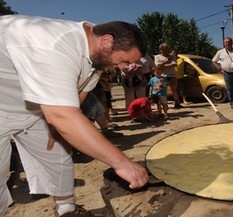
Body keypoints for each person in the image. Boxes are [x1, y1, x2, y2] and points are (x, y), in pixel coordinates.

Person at [0, 15, 149, 216]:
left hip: (35, 107)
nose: (123, 69)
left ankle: (67, 210)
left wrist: (57, 129)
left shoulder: (95, 53)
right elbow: (62, 115)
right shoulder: (53, 44)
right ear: (107, 41)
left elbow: (79, 95)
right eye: (124, 61)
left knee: (59, 153)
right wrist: (122, 163)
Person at [212, 37, 233, 109]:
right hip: (227, 74)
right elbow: (213, 61)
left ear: (232, 43)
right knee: (230, 90)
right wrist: (219, 69)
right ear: (224, 43)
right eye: (226, 42)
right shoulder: (220, 52)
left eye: (229, 42)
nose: (227, 44)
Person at [154, 43, 182, 109]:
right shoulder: (157, 57)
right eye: (163, 50)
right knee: (163, 90)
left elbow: (174, 65)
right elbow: (158, 65)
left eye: (166, 49)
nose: (165, 51)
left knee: (174, 89)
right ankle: (163, 104)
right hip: (162, 75)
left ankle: (177, 103)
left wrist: (163, 65)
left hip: (172, 75)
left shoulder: (172, 56)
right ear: (160, 50)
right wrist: (167, 61)